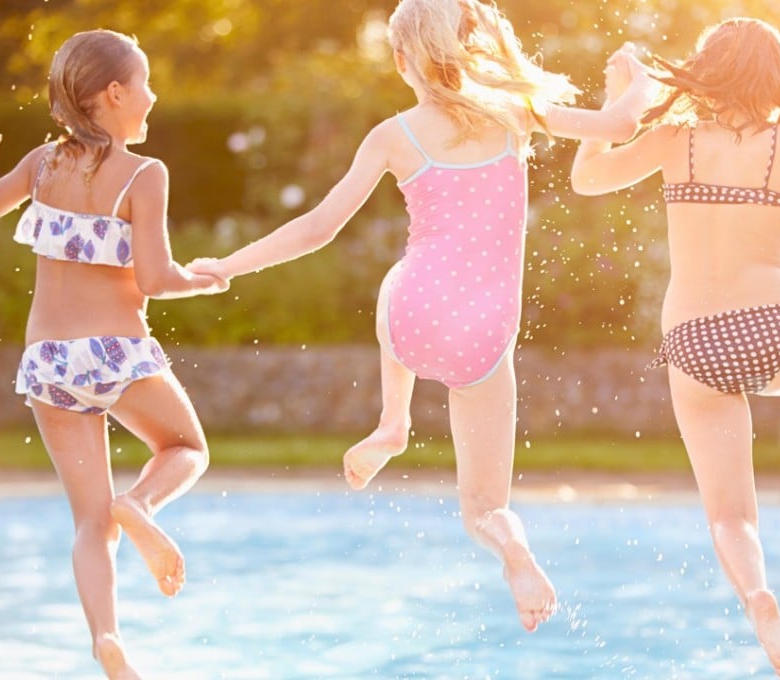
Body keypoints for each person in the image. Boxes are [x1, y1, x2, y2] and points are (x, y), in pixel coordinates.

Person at [187, 0, 648, 633]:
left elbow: (318, 228)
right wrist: (633, 84)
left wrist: (230, 265)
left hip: (413, 316)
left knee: (400, 277)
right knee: (485, 506)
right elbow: (620, 125)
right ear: (469, 49)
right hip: (486, 336)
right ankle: (515, 551)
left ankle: (392, 422)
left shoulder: (393, 135)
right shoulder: (517, 112)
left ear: (403, 60)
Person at [570, 19, 780, 680]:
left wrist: (612, 103)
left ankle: (759, 600)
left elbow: (588, 179)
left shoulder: (671, 140)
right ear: (777, 79)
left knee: (730, 514)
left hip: (690, 342)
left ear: (705, 75)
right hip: (766, 323)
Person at [0, 30, 227, 679]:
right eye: (145, 83)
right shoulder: (144, 173)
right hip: (114, 353)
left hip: (47, 362)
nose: (153, 96)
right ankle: (141, 505)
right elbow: (158, 279)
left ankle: (106, 639)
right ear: (114, 93)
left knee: (89, 521)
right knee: (187, 449)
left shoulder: (41, 165)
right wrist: (207, 277)